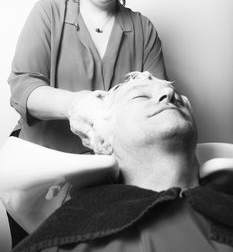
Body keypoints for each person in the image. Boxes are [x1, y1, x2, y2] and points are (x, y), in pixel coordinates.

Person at [7, 0, 167, 245]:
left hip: (110, 190)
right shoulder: (48, 13)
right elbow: (23, 87)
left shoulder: (143, 29)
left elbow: (156, 111)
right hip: (38, 183)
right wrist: (75, 104)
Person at [7, 72, 233, 252]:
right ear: (102, 139)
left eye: (177, 95)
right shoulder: (60, 244)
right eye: (139, 96)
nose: (167, 93)